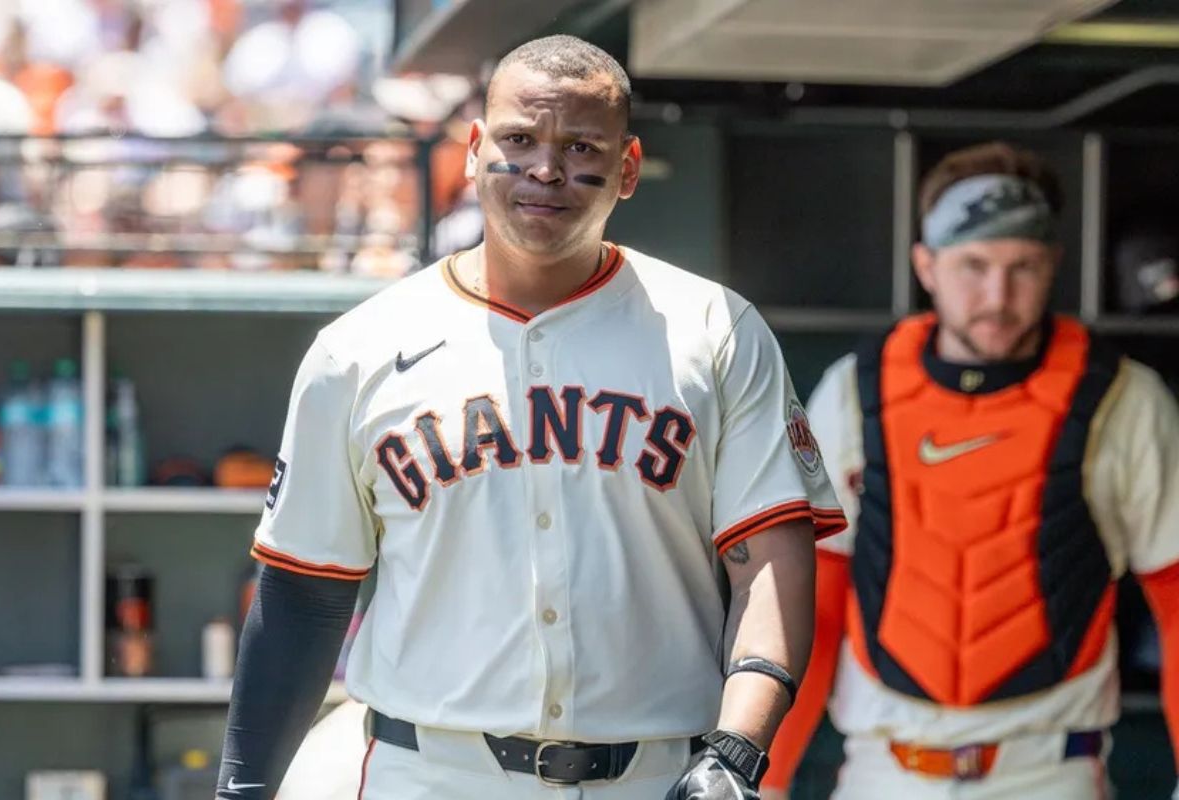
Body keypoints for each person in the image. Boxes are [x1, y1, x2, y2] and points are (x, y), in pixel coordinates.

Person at [216, 34, 845, 800]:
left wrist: (740, 747)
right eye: (520, 139)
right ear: (476, 147)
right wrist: (241, 791)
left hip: (654, 775)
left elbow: (774, 568)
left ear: (629, 167)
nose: (546, 169)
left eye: (581, 145)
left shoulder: (714, 328)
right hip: (428, 772)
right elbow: (302, 598)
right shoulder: (358, 349)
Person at [761, 141, 1179, 800]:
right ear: (925, 264)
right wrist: (765, 777)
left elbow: (1176, 601)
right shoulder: (853, 392)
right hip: (885, 771)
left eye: (1024, 267)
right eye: (974, 264)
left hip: (1050, 771)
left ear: (1055, 265)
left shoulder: (1125, 400)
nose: (998, 294)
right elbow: (817, 602)